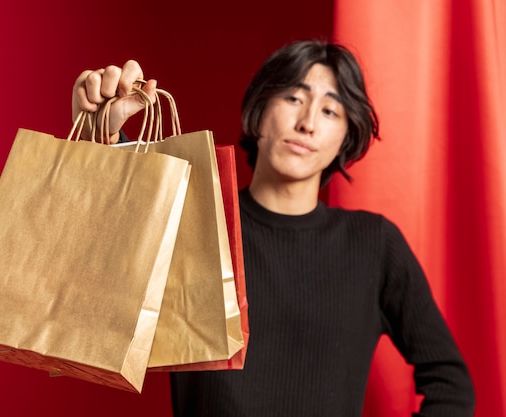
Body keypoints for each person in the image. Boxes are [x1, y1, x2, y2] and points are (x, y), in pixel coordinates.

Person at [72, 39, 476, 416]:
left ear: (346, 137)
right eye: (293, 98)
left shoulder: (374, 244)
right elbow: (104, 281)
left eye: (330, 111)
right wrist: (104, 136)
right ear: (260, 110)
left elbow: (450, 382)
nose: (307, 123)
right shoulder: (196, 219)